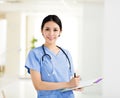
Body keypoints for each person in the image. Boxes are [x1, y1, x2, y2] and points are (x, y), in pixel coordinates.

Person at [25, 15, 81, 98]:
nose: (51, 33)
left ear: (60, 32)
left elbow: (69, 80)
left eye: (55, 30)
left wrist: (76, 84)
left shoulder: (66, 54)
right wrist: (68, 84)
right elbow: (38, 85)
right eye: (47, 29)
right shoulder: (35, 54)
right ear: (42, 31)